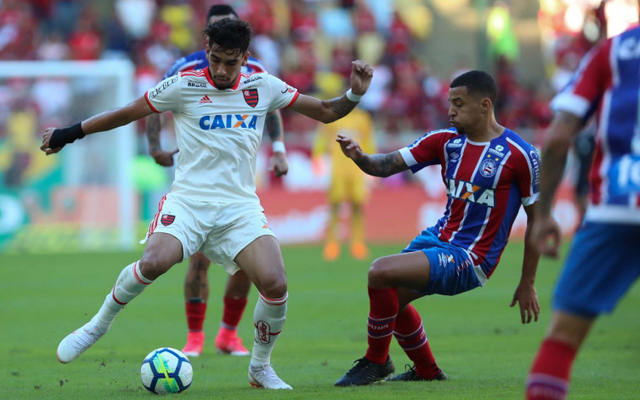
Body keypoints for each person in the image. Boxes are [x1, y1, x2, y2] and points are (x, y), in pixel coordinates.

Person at [45, 18, 373, 390]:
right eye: (215, 59)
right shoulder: (184, 86)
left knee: (275, 282)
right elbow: (127, 113)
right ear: (207, 52)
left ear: (245, 59)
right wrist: (69, 133)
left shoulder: (262, 85)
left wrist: (355, 95)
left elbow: (326, 111)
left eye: (230, 63)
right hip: (189, 202)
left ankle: (260, 367)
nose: (220, 69)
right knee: (154, 262)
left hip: (239, 207)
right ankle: (97, 325)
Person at [332, 70, 541, 386]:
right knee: (391, 297)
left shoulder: (520, 154)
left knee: (379, 272)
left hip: (471, 258)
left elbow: (538, 219)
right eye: (449, 103)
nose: (451, 110)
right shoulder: (444, 142)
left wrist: (528, 282)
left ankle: (376, 362)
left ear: (485, 105)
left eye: (459, 103)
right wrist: (360, 157)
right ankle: (427, 372)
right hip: (437, 238)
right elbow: (386, 166)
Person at [145, 3, 288, 358]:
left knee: (245, 267)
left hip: (238, 189)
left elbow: (271, 107)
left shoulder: (253, 70)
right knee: (197, 261)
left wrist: (280, 149)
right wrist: (155, 148)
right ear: (206, 36)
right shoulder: (185, 69)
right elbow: (151, 105)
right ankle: (195, 337)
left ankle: (228, 334)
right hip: (197, 187)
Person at [525, 24, 640, 400]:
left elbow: (558, 139)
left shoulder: (612, 51)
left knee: (561, 340)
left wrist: (542, 216)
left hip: (616, 208)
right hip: (613, 209)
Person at [312, 101, 376, 261]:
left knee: (358, 205)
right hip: (337, 168)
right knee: (334, 205)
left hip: (357, 169)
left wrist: (372, 163)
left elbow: (369, 141)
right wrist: (318, 156)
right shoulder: (334, 118)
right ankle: (332, 244)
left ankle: (358, 244)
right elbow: (322, 139)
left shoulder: (363, 118)